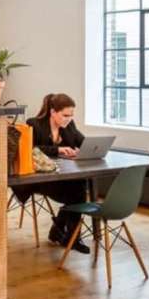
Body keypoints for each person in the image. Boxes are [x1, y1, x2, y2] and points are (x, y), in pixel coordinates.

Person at [22, 93, 90, 254]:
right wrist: (58, 150)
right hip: (38, 178)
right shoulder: (34, 124)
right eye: (65, 115)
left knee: (80, 185)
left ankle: (66, 234)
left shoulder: (69, 126)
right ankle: (67, 235)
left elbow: (84, 142)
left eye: (71, 115)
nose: (69, 119)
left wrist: (83, 150)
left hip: (62, 176)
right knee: (77, 192)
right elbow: (30, 149)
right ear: (53, 112)